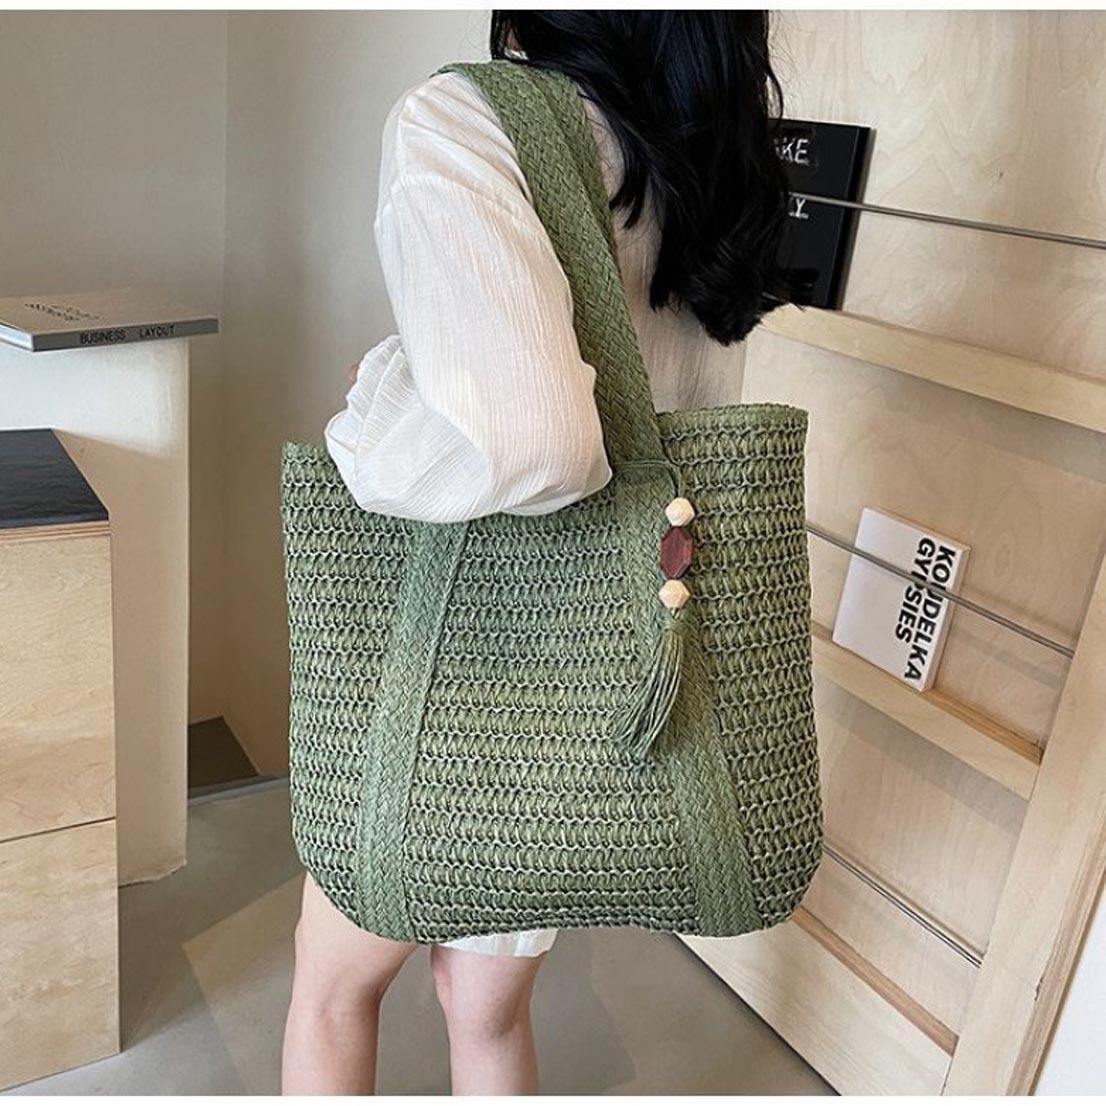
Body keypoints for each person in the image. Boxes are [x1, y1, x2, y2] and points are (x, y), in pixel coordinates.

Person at [281, 11, 794, 1096]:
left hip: (466, 685)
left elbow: (536, 440)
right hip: (614, 690)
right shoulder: (704, 149)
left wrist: (372, 417)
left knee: (331, 994)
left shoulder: (467, 121)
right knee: (485, 1014)